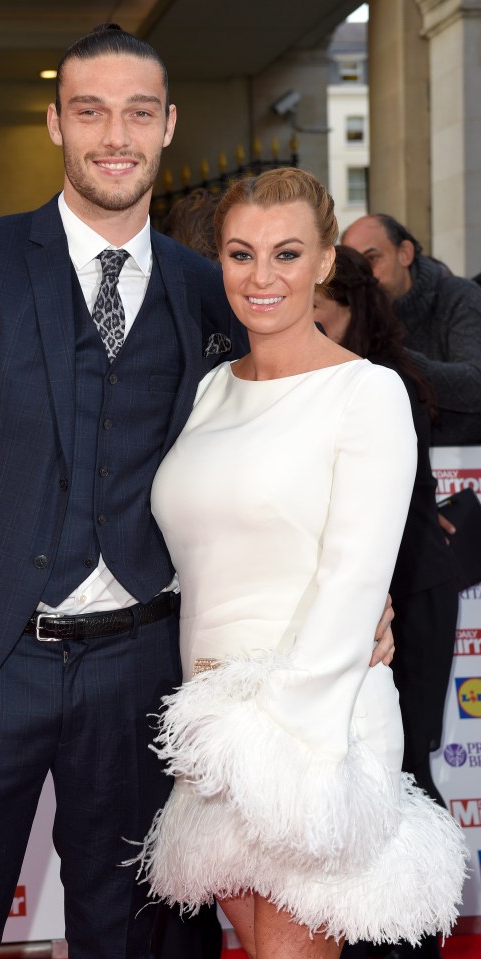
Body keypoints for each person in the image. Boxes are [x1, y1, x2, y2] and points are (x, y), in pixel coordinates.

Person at [0, 26, 395, 959]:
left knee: (137, 933)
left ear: (168, 124)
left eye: (139, 112)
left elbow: (280, 439)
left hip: (143, 670)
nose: (115, 134)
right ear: (56, 122)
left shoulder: (208, 283)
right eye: (90, 110)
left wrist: (361, 589)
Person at [138, 169, 467, 959]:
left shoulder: (367, 393)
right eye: (240, 253)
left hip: (309, 728)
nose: (262, 277)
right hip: (213, 722)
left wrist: (280, 739)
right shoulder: (214, 389)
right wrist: (219, 727)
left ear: (325, 262)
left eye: (287, 253)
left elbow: (356, 575)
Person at [314, 245, 459, 959]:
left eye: (323, 313)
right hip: (369, 600)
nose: (307, 325)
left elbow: (393, 518)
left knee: (405, 771)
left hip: (408, 601)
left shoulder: (388, 384)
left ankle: (413, 933)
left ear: (356, 309)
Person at [342, 214, 481, 445]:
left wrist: (395, 360)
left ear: (405, 253)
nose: (366, 276)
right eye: (358, 267)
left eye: (372, 258)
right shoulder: (351, 311)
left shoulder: (461, 298)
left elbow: (475, 385)